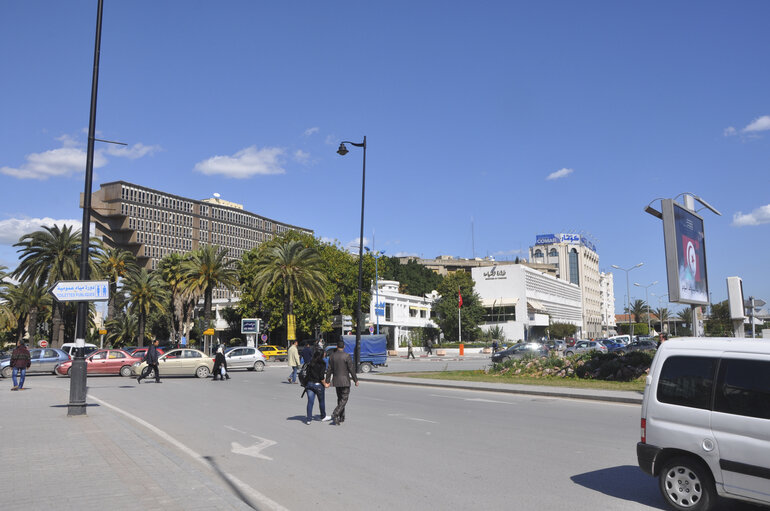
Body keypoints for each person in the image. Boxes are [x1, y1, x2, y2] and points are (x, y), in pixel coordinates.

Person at [323, 340, 359, 425]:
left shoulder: (332, 356)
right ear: (344, 347)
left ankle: (341, 417)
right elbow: (351, 369)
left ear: (336, 347)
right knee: (344, 399)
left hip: (336, 381)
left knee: (340, 398)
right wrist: (356, 380)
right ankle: (336, 413)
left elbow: (329, 370)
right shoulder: (347, 356)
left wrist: (327, 381)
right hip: (345, 381)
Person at [304, 347, 332, 424]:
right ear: (321, 355)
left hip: (309, 384)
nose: (325, 354)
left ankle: (308, 419)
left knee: (310, 402)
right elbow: (321, 377)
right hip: (318, 385)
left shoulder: (310, 362)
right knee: (321, 401)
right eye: (324, 353)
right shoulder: (322, 363)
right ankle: (323, 416)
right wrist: (325, 384)